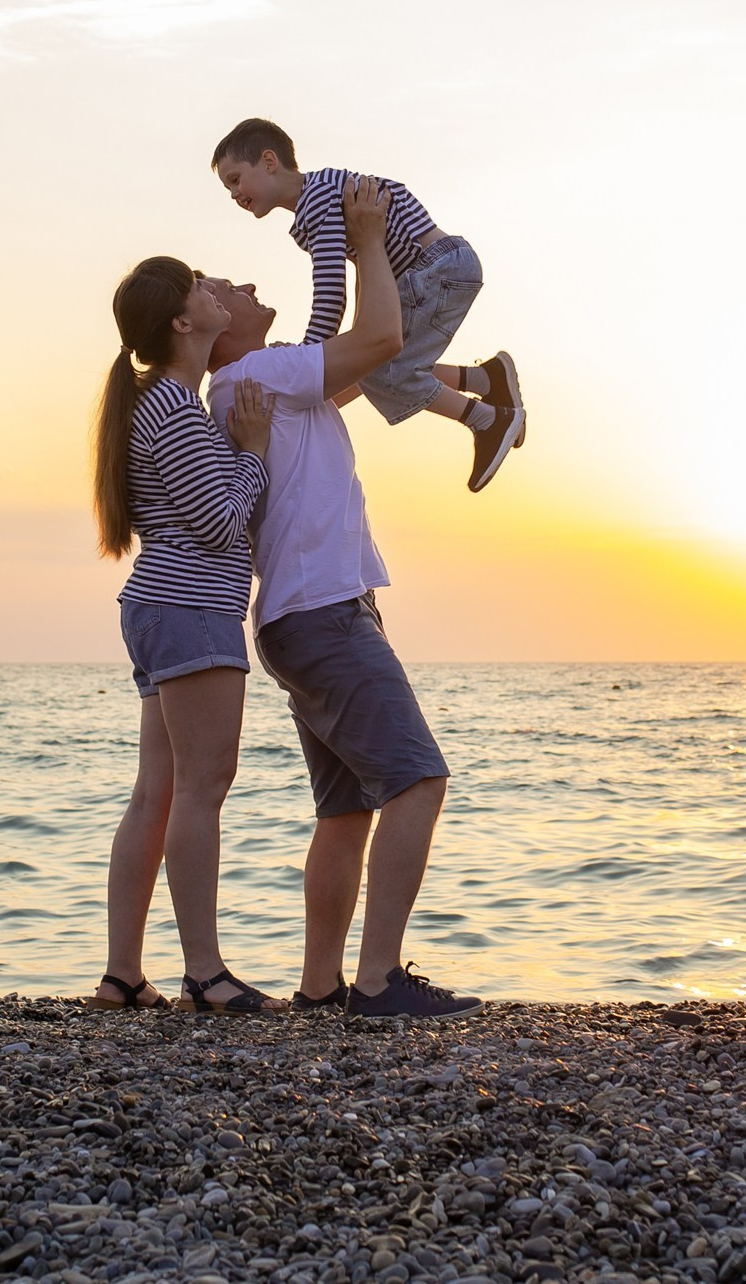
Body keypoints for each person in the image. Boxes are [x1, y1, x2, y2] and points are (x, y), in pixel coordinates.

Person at [201, 177, 485, 1019]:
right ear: (211, 330)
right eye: (223, 288)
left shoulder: (271, 380)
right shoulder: (258, 371)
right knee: (417, 780)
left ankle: (322, 985)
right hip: (324, 613)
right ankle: (378, 981)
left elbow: (383, 363)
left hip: (307, 614)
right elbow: (383, 332)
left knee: (347, 805)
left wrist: (456, 384)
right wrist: (365, 235)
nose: (245, 286)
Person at [88, 256, 284, 1014]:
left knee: (158, 793)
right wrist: (256, 449)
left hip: (162, 606)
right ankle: (203, 972)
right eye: (200, 286)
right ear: (182, 320)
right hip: (191, 607)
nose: (214, 291)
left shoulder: (162, 405)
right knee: (202, 789)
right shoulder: (171, 407)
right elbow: (221, 521)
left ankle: (123, 976)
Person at [210, 116, 528, 494]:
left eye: (235, 179)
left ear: (268, 161)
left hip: (433, 268)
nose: (234, 194)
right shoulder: (319, 199)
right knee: (376, 365)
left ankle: (487, 420)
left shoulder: (317, 201)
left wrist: (310, 356)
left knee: (380, 372)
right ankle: (486, 378)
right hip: (435, 265)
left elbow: (330, 292)